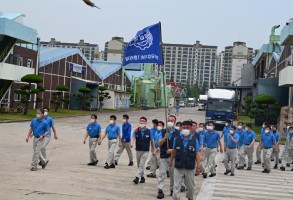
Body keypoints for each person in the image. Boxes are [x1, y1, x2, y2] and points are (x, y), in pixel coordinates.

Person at [169, 120, 201, 200]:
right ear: (181, 128)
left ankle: (189, 196)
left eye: (187, 128)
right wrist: (171, 161)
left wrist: (198, 166)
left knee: (191, 187)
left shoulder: (194, 140)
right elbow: (174, 151)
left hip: (189, 167)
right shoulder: (177, 139)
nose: (185, 129)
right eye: (184, 128)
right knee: (176, 186)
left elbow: (197, 154)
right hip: (178, 166)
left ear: (191, 128)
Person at [157, 115, 181, 199]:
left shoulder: (178, 133)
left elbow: (179, 145)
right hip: (163, 155)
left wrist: (171, 150)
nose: (170, 122)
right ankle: (160, 189)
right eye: (169, 120)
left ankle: (172, 189)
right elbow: (159, 143)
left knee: (173, 174)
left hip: (173, 157)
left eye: (172, 120)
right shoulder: (163, 131)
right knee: (162, 173)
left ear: (175, 122)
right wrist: (164, 138)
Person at [131, 117, 155, 184]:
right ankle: (142, 177)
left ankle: (137, 177)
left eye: (143, 122)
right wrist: (132, 144)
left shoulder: (149, 131)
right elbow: (133, 138)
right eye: (141, 122)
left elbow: (152, 141)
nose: (142, 123)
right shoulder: (136, 130)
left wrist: (153, 150)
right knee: (139, 165)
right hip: (138, 150)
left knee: (141, 164)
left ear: (146, 123)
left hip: (145, 151)